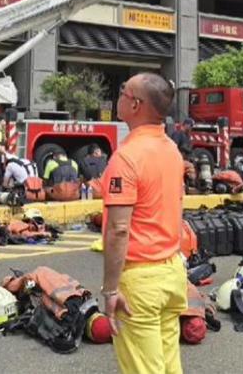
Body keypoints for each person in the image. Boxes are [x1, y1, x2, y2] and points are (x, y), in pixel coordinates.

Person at [101, 74, 187, 374]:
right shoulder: (171, 151)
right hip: (172, 273)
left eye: (123, 91)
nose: (119, 96)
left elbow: (118, 229)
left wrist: (110, 290)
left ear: (135, 104)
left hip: (140, 281)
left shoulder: (126, 157)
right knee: (167, 365)